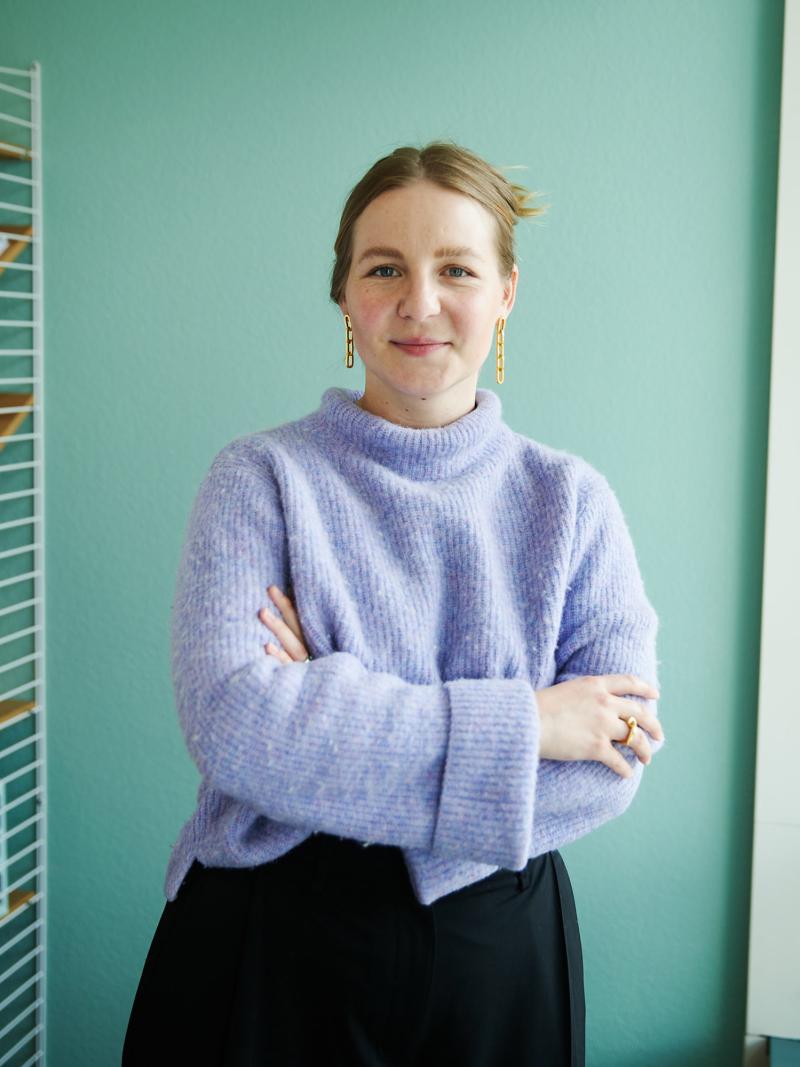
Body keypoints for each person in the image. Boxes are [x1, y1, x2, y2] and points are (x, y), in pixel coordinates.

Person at [122, 140, 665, 1066]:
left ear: (506, 294)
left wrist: (326, 703)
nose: (419, 301)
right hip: (270, 942)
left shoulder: (572, 502)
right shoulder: (258, 479)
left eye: (456, 268)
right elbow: (236, 727)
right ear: (343, 294)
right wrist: (530, 723)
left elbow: (613, 757)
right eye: (384, 268)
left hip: (501, 959)